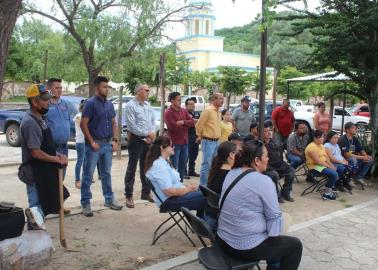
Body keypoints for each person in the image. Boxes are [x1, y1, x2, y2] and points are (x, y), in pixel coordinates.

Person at [217, 140, 302, 270]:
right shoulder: (264, 181)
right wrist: (274, 241)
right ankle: (274, 264)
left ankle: (274, 264)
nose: (268, 159)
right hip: (244, 246)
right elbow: (274, 218)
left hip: (222, 239)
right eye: (266, 156)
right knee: (294, 245)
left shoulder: (232, 172)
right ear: (257, 160)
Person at [20, 84, 69, 229]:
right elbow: (35, 152)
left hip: (45, 170)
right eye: (45, 99)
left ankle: (38, 234)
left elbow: (46, 146)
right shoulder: (30, 122)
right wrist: (56, 159)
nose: (48, 102)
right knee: (35, 210)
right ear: (35, 102)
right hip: (34, 172)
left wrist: (58, 155)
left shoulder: (42, 118)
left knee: (47, 203)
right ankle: (34, 243)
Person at [80, 76, 122, 217]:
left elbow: (114, 123)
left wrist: (115, 140)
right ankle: (85, 202)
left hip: (107, 144)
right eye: (104, 86)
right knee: (88, 175)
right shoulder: (90, 104)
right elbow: (83, 124)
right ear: (97, 87)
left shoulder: (109, 104)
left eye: (108, 87)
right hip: (94, 145)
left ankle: (109, 199)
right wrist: (91, 141)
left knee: (106, 174)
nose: (107, 89)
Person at [145, 136, 206, 217]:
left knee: (206, 193)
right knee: (207, 198)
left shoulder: (162, 162)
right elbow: (169, 192)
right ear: (162, 148)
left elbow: (172, 184)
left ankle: (202, 225)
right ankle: (204, 226)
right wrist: (188, 189)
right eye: (170, 145)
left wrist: (186, 186)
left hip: (174, 197)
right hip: (169, 201)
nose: (173, 147)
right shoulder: (158, 166)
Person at [124, 84, 156, 208]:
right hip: (136, 140)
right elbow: (132, 126)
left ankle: (145, 192)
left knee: (146, 167)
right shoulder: (130, 106)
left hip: (148, 140)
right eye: (146, 90)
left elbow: (152, 122)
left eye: (149, 90)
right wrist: (146, 134)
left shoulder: (148, 105)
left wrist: (151, 135)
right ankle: (129, 195)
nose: (148, 92)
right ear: (138, 91)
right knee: (132, 168)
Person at [205, 141, 237, 229]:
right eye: (239, 152)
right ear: (232, 155)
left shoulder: (216, 169)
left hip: (211, 216)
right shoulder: (231, 176)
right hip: (222, 221)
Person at [45, 78, 73, 177]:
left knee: (61, 178)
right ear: (48, 88)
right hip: (51, 149)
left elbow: (68, 121)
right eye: (57, 88)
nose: (60, 90)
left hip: (64, 148)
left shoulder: (65, 104)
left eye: (61, 87)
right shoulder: (45, 105)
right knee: (52, 179)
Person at [164, 92, 194, 181]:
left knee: (183, 166)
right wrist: (186, 123)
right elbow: (172, 127)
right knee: (174, 166)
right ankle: (173, 184)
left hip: (185, 142)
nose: (180, 102)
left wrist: (183, 122)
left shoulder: (183, 110)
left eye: (180, 100)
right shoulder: (168, 113)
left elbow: (192, 122)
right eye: (178, 100)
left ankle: (180, 183)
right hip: (175, 143)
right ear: (172, 100)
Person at [196, 93, 224, 185]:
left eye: (222, 99)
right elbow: (199, 124)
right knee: (206, 165)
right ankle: (203, 186)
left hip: (217, 141)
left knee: (215, 164)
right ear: (214, 99)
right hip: (208, 141)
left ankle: (211, 184)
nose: (222, 100)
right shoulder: (208, 111)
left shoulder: (219, 111)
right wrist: (199, 136)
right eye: (220, 99)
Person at [263, 124, 295, 202]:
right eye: (265, 131)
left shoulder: (273, 142)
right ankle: (276, 195)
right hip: (268, 166)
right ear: (260, 133)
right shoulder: (260, 143)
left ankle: (286, 192)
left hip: (278, 164)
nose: (269, 132)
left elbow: (279, 156)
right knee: (274, 175)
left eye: (270, 130)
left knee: (291, 171)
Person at [305, 130, 338, 200]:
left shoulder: (321, 145)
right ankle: (327, 193)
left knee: (339, 168)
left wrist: (331, 164)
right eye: (322, 137)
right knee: (334, 174)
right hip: (314, 167)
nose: (323, 139)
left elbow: (326, 156)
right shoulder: (311, 147)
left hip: (322, 165)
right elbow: (318, 162)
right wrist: (329, 167)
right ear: (315, 138)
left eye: (323, 137)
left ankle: (331, 186)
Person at [339, 122, 373, 186]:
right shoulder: (343, 139)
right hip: (344, 159)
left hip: (355, 157)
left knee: (370, 160)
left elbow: (361, 149)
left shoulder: (355, 138)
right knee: (353, 160)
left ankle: (359, 177)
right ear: (347, 130)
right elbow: (346, 154)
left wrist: (365, 156)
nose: (355, 129)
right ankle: (349, 179)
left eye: (355, 128)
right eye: (353, 128)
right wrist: (362, 157)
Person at [185, 97, 200, 177]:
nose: (193, 106)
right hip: (187, 136)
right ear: (186, 105)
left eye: (193, 104)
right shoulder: (184, 113)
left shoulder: (197, 113)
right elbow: (192, 122)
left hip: (196, 136)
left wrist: (199, 136)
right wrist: (197, 121)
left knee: (194, 155)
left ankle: (191, 171)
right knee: (186, 155)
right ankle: (184, 172)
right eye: (190, 104)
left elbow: (200, 125)